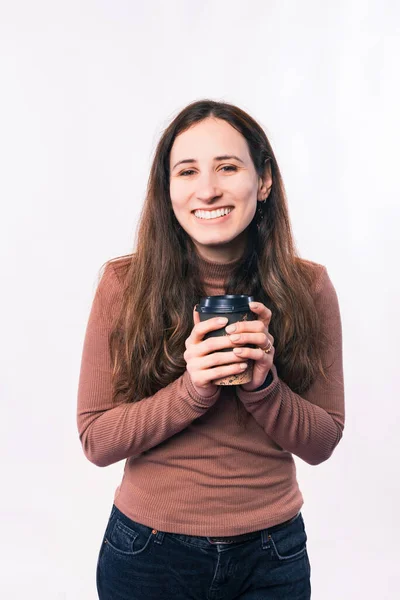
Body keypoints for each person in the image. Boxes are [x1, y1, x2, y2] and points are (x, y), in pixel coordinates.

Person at [77, 99, 345, 600]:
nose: (208, 189)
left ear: (262, 181)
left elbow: (323, 441)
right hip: (147, 551)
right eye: (187, 171)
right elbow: (96, 440)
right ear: (168, 189)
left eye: (227, 166)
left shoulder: (308, 286)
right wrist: (192, 389)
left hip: (273, 553)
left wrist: (264, 385)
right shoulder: (124, 283)